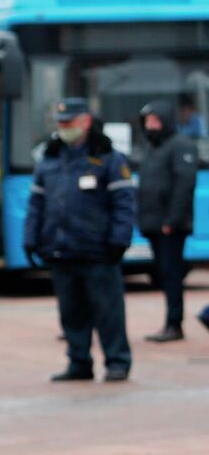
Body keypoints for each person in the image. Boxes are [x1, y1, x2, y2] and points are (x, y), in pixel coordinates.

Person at [25, 99, 137, 381]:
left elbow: (124, 204)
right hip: (62, 249)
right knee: (71, 313)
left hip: (98, 250)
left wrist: (119, 240)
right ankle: (79, 362)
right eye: (60, 123)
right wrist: (31, 239)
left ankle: (117, 362)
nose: (64, 128)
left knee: (108, 311)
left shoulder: (108, 158)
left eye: (69, 122)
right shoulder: (50, 158)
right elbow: (36, 205)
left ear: (86, 121)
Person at [138, 102, 198, 343]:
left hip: (170, 226)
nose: (150, 126)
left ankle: (174, 324)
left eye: (155, 121)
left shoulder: (181, 145)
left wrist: (172, 220)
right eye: (148, 121)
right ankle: (171, 321)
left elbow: (184, 185)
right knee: (163, 273)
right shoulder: (153, 147)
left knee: (171, 274)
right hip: (153, 224)